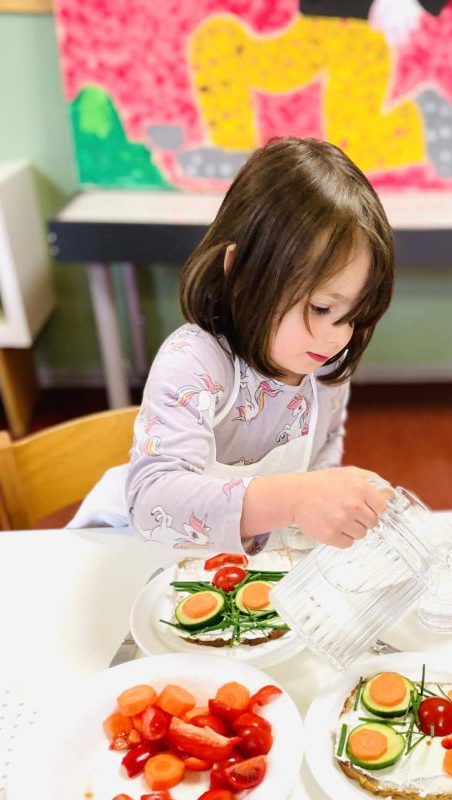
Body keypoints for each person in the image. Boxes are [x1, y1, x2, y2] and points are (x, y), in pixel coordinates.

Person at [71, 136, 395, 552]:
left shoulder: (326, 371)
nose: (337, 336)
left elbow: (321, 458)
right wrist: (296, 498)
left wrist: (330, 504)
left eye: (354, 316)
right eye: (319, 308)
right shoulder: (196, 362)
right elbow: (153, 502)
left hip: (227, 561)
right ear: (240, 271)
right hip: (127, 548)